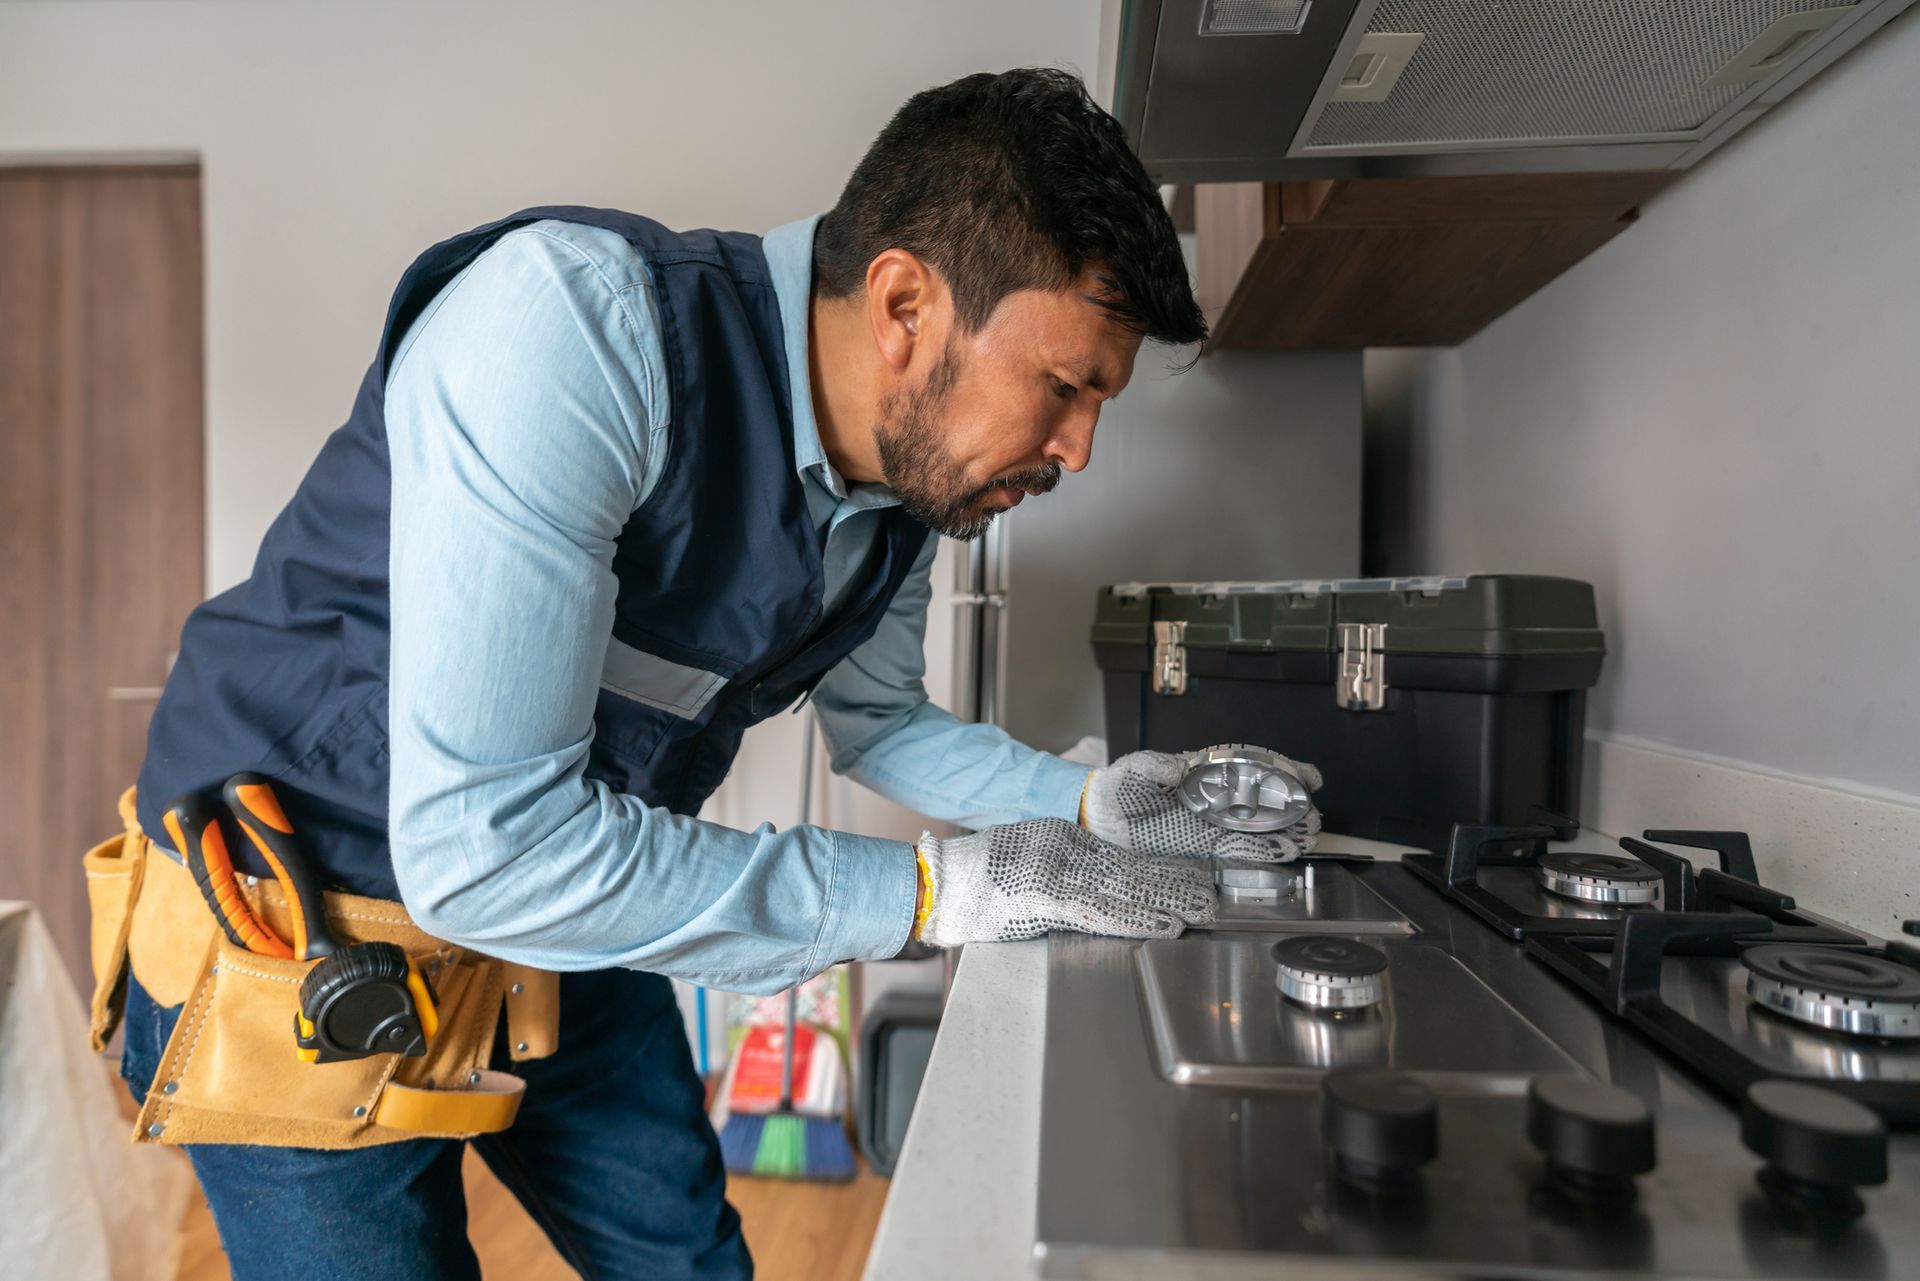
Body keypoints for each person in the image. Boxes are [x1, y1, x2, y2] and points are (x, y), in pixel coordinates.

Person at [87, 67, 1321, 1279]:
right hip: (295, 924)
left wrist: (1094, 803)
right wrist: (943, 890)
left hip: (564, 915)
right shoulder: (572, 332)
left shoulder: (907, 490)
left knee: (689, 1263)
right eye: (1064, 387)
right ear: (904, 307)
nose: (1079, 449)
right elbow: (489, 852)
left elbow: (884, 728)